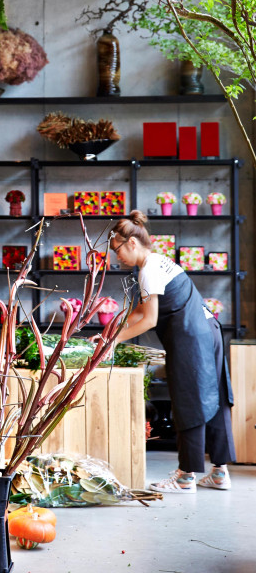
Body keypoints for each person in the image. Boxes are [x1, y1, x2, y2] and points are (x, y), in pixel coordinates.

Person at [109, 210, 235, 493]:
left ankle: (185, 476)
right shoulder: (159, 262)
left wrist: (114, 342)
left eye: (117, 250)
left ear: (131, 243)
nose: (117, 257)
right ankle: (219, 473)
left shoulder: (147, 271)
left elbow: (149, 320)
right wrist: (114, 328)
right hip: (209, 330)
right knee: (213, 399)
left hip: (190, 339)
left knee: (189, 401)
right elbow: (141, 309)